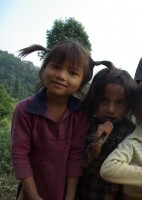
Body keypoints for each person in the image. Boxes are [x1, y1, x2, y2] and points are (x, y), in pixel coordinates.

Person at [10, 40, 105, 200]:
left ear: (82, 82)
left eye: (72, 73)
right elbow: (20, 156)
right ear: (45, 67)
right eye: (55, 66)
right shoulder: (25, 110)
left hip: (63, 194)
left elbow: (75, 159)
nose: (61, 75)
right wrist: (34, 196)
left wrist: (69, 197)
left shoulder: (80, 115)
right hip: (30, 193)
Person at [76, 65, 137, 200]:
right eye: (104, 100)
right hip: (87, 194)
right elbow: (82, 168)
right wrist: (96, 147)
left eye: (119, 103)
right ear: (95, 99)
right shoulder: (88, 125)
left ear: (128, 105)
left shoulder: (129, 132)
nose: (110, 109)